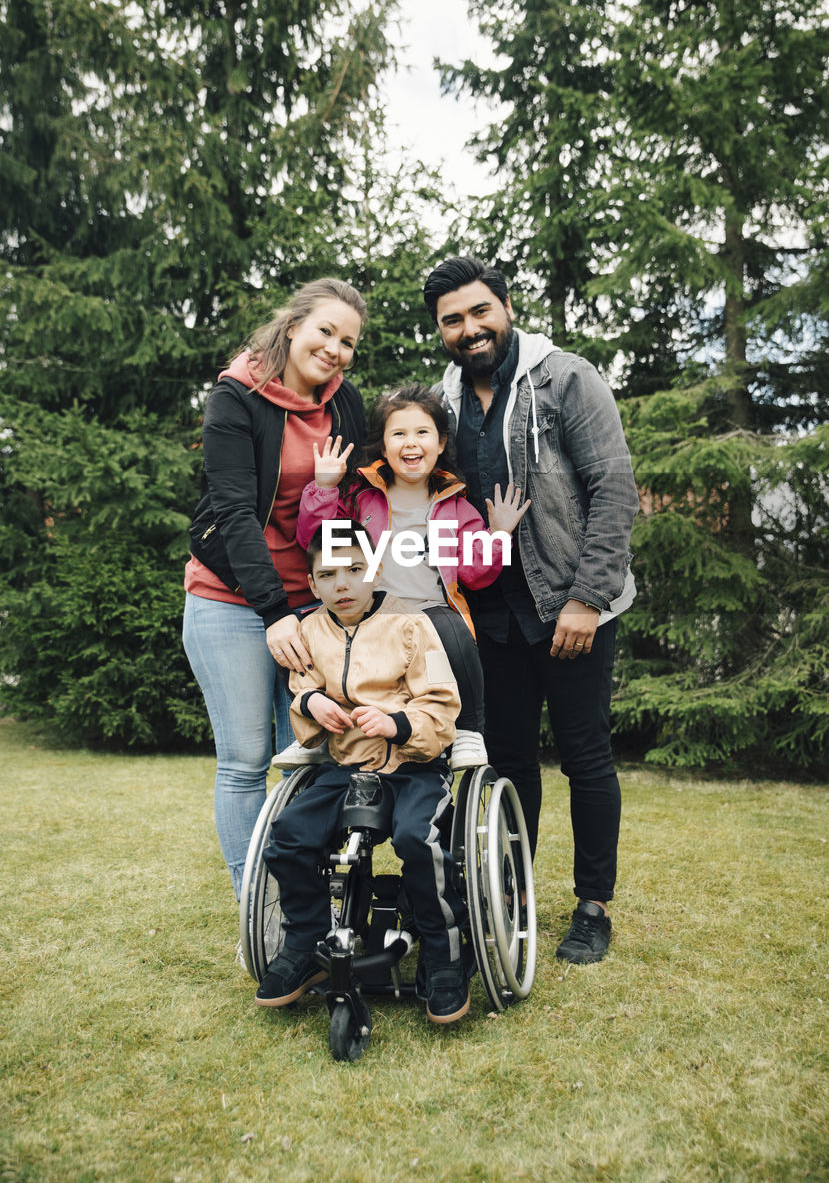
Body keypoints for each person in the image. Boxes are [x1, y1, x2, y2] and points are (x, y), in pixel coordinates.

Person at [422, 255, 639, 965]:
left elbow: (613, 489)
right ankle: (512, 890)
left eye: (479, 311)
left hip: (571, 610)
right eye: (452, 319)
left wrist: (586, 596)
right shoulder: (442, 403)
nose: (469, 328)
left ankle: (591, 905)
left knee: (584, 758)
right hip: (489, 617)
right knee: (508, 760)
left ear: (506, 306)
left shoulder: (564, 378)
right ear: (440, 330)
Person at [182, 279, 367, 902]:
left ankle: (306, 908)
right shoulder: (237, 397)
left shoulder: (346, 405)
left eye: (348, 342)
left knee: (311, 756)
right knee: (245, 759)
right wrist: (274, 612)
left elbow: (348, 509)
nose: (335, 349)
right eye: (326, 332)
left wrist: (344, 603)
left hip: (311, 606)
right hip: (231, 599)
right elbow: (235, 512)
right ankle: (254, 910)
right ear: (293, 327)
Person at [256, 520, 473, 1024]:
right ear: (312, 585)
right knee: (288, 836)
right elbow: (300, 686)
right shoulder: (310, 631)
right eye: (328, 575)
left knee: (418, 840)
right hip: (344, 766)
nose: (343, 584)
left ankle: (444, 956)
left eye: (355, 569)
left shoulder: (410, 626)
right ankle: (304, 943)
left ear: (375, 570)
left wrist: (397, 723)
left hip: (412, 765)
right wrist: (312, 702)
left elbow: (441, 705)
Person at [296, 384, 529, 765]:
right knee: (306, 627)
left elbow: (475, 574)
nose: (411, 443)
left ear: (440, 443)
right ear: (383, 447)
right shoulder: (360, 499)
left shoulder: (456, 507)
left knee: (454, 630)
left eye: (422, 433)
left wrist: (499, 534)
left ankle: (469, 730)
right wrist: (324, 487)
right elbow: (317, 543)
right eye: (399, 433)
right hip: (368, 614)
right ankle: (318, 729)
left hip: (426, 618)